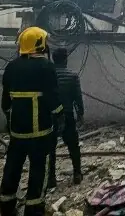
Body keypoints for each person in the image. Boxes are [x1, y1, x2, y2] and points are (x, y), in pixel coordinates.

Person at [0, 27, 65, 216]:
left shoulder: (11, 67)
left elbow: (5, 102)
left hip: (17, 132)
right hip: (40, 132)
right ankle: (33, 209)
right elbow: (53, 97)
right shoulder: (46, 67)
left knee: (12, 168)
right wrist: (61, 116)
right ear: (39, 43)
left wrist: (10, 118)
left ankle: (6, 207)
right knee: (38, 171)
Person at [48, 47, 84, 187]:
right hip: (67, 115)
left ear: (53, 59)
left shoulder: (48, 76)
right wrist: (80, 114)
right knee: (73, 146)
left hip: (50, 117)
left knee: (50, 149)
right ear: (66, 60)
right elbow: (78, 98)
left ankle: (51, 179)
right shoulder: (72, 76)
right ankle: (77, 174)